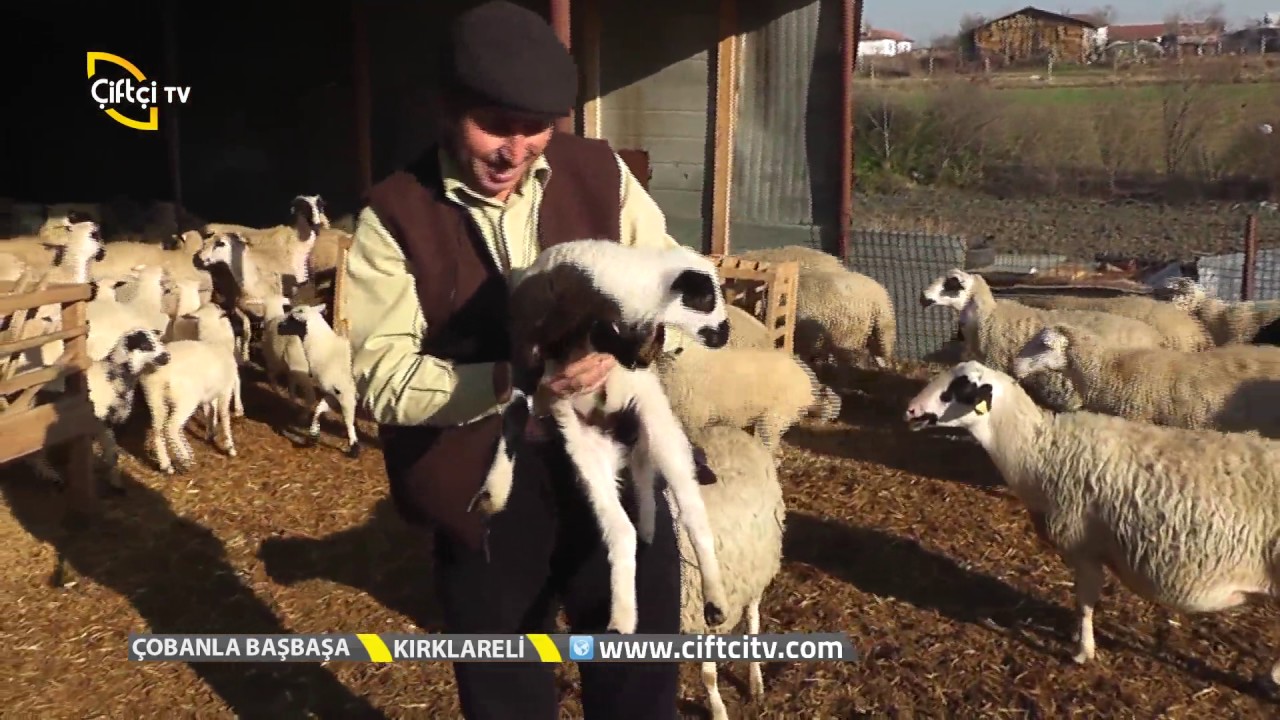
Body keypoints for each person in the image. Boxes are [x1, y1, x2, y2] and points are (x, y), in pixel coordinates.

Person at [340, 2, 691, 718]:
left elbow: (672, 285)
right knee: (506, 690)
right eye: (495, 125)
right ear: (447, 107)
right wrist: (514, 380)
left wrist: (644, 338)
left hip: (615, 457)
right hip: (488, 479)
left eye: (536, 129)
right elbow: (383, 379)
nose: (517, 148)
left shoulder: (602, 174)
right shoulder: (395, 214)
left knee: (637, 673)